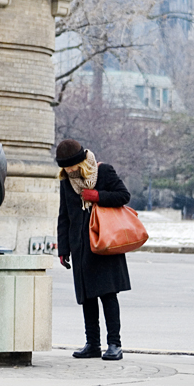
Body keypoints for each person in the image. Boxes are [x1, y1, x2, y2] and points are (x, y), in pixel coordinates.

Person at [56, 139, 131, 360]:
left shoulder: (103, 171)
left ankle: (114, 344)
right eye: (65, 167)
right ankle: (92, 343)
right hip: (80, 246)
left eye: (71, 166)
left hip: (103, 243)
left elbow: (123, 196)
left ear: (81, 161)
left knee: (108, 295)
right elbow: (64, 215)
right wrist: (64, 248)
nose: (68, 170)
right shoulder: (66, 180)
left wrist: (98, 197)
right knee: (87, 297)